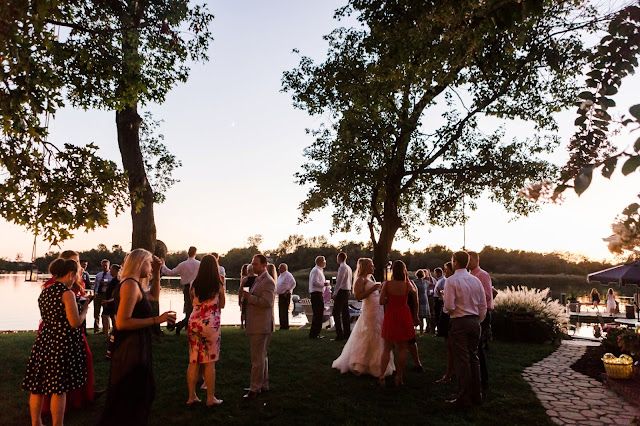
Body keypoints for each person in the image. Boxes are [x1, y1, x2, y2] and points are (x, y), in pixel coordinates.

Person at [99, 249, 176, 425]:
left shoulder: (134, 284)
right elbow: (122, 323)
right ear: (140, 262)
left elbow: (154, 297)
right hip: (130, 349)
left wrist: (157, 273)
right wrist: (158, 319)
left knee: (142, 393)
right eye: (149, 264)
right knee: (132, 395)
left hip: (138, 345)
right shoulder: (129, 285)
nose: (150, 267)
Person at [23, 258, 92, 426]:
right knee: (58, 388)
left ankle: (36, 423)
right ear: (71, 274)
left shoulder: (45, 291)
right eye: (76, 275)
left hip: (45, 340)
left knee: (37, 385)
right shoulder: (66, 293)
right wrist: (85, 309)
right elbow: (75, 322)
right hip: (61, 343)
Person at [40, 250, 98, 414]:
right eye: (74, 262)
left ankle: (82, 397)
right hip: (62, 330)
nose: (78, 265)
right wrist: (85, 308)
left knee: (81, 360)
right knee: (61, 370)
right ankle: (61, 407)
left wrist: (81, 300)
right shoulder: (58, 287)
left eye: (78, 262)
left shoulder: (73, 284)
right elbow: (72, 320)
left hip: (65, 329)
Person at [332, 258, 395, 377]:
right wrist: (373, 289)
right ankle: (362, 363)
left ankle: (378, 362)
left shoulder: (370, 279)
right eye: (371, 266)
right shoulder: (360, 280)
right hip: (369, 310)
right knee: (369, 332)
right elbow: (358, 296)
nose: (373, 268)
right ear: (365, 267)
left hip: (378, 310)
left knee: (379, 333)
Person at [443, 251, 487, 408]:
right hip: (475, 322)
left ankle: (464, 398)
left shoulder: (451, 281)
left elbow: (449, 306)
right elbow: (483, 304)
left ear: (455, 262)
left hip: (459, 322)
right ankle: (477, 395)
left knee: (462, 361)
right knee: (473, 358)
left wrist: (447, 310)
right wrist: (478, 320)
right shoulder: (476, 281)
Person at [187, 254, 225, 406]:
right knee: (210, 362)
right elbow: (221, 304)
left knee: (193, 360)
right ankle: (210, 398)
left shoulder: (193, 284)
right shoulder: (218, 283)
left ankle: (191, 396)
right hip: (211, 324)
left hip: (194, 322)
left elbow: (192, 303)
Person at [240, 254, 276, 399]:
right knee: (261, 356)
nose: (252, 266)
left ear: (263, 265)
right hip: (257, 323)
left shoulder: (268, 281)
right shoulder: (257, 279)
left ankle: (255, 389)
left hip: (261, 325)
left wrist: (250, 298)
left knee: (257, 358)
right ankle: (263, 384)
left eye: (255, 264)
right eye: (252, 263)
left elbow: (267, 303)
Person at [379, 260, 418, 387]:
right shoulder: (407, 285)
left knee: (386, 348)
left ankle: (382, 376)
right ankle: (399, 376)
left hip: (391, 315)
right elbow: (415, 297)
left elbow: (381, 301)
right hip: (404, 315)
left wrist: (389, 299)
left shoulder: (387, 284)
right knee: (402, 348)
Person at [468, 251, 493, 390]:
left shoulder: (482, 275)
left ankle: (483, 380)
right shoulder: (470, 275)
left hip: (482, 314)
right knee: (472, 347)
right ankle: (474, 377)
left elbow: (488, 295)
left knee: (478, 347)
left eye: (470, 260)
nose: (468, 262)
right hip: (473, 314)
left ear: (477, 261)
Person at [162, 246, 200, 335]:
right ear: (195, 253)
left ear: (188, 253)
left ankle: (187, 326)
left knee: (188, 308)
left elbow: (170, 272)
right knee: (195, 309)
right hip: (197, 288)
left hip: (187, 288)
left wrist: (163, 265)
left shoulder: (183, 264)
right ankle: (181, 325)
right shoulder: (199, 264)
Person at [436, 262, 454, 384]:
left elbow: (449, 304)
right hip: (448, 315)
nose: (445, 272)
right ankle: (452, 371)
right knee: (450, 346)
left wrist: (444, 296)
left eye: (446, 270)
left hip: (449, 315)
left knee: (450, 346)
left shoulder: (450, 281)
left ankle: (449, 374)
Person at [332, 252, 353, 341]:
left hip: (341, 292)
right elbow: (350, 279)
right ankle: (347, 333)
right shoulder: (349, 267)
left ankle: (339, 334)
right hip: (346, 291)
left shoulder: (342, 267)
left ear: (339, 258)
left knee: (336, 312)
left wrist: (335, 293)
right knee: (345, 313)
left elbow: (339, 281)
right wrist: (349, 289)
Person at [309, 256, 329, 339]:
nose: (325, 263)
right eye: (324, 261)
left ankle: (316, 333)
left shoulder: (319, 270)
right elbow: (314, 282)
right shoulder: (316, 270)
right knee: (318, 314)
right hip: (316, 294)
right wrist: (324, 284)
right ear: (320, 262)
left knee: (319, 314)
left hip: (319, 293)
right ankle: (314, 333)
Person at [94, 259, 112, 334]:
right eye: (103, 265)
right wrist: (95, 293)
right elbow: (95, 285)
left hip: (106, 295)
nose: (104, 267)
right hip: (99, 294)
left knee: (106, 313)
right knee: (96, 312)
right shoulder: (98, 275)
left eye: (106, 265)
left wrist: (107, 284)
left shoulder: (111, 275)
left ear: (109, 266)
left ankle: (106, 328)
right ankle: (96, 329)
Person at [276, 263, 296, 330]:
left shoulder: (288, 275)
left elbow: (293, 283)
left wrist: (287, 291)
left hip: (285, 295)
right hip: (280, 295)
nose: (279, 269)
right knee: (281, 310)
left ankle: (285, 326)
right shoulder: (281, 275)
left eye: (280, 268)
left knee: (284, 310)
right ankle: (282, 325)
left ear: (284, 268)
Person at [102, 264, 121, 333]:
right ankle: (114, 331)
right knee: (112, 316)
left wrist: (108, 301)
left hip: (112, 301)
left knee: (106, 316)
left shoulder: (117, 280)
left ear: (115, 270)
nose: (110, 271)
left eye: (111, 270)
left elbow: (116, 292)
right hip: (110, 300)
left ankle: (107, 332)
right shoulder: (114, 279)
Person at [413, 270, 431, 335]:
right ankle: (421, 333)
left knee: (415, 316)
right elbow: (432, 283)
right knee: (422, 318)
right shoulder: (426, 282)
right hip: (424, 300)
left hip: (417, 299)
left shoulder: (414, 282)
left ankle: (414, 331)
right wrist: (429, 275)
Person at [239, 264, 254, 329]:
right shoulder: (257, 279)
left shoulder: (245, 279)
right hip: (253, 297)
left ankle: (243, 324)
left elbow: (241, 290)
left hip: (246, 297)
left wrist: (240, 299)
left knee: (244, 311)